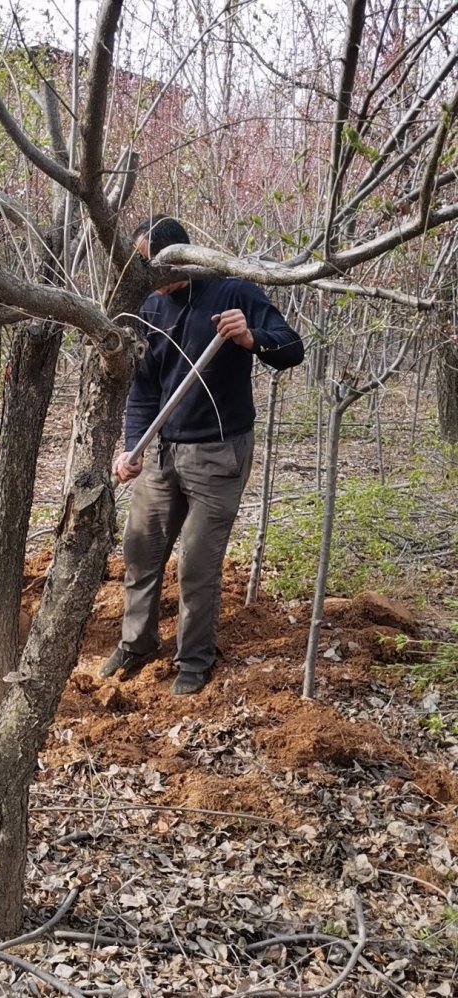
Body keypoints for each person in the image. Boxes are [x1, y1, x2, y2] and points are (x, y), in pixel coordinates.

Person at [101, 215, 304, 695]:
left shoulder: (234, 293)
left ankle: (193, 658)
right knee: (141, 552)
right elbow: (143, 391)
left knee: (196, 563)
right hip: (161, 453)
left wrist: (251, 337)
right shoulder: (149, 308)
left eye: (153, 267)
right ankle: (137, 643)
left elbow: (291, 348)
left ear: (180, 259)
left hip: (218, 454)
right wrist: (133, 447)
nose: (148, 279)